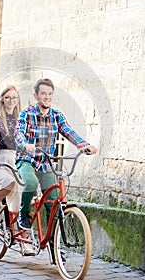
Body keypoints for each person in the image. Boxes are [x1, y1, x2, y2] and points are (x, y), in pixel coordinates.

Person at [14, 78, 97, 233]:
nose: (46, 97)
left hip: (47, 163)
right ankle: (23, 214)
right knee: (30, 183)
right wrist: (25, 144)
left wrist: (84, 144)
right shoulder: (27, 113)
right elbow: (18, 133)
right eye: (43, 94)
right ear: (36, 95)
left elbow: (68, 131)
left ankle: (54, 248)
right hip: (27, 160)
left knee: (54, 204)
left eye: (50, 94)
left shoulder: (56, 115)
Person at [0, 85, 34, 255]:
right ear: (2, 99)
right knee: (9, 183)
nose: (11, 101)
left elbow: (25, 140)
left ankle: (25, 242)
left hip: (16, 160)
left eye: (14, 98)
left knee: (23, 201)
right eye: (8, 97)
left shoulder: (21, 118)